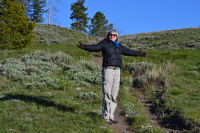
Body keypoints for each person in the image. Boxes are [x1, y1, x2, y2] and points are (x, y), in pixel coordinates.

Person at [77, 30, 146, 124]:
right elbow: (95, 47)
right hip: (108, 70)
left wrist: (138, 53)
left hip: (117, 71)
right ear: (108, 35)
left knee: (114, 93)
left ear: (116, 36)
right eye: (110, 35)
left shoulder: (118, 45)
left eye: (114, 35)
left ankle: (111, 116)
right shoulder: (104, 43)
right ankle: (105, 116)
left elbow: (127, 51)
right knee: (107, 92)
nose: (112, 36)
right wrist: (85, 47)